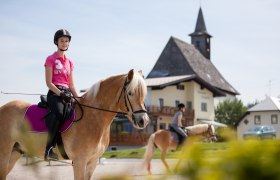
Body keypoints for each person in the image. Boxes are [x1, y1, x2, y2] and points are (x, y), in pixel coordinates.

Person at [44, 29, 79, 161]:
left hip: (68, 93)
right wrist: (61, 94)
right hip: (54, 92)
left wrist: (79, 98)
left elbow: (72, 85)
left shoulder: (69, 63)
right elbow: (48, 83)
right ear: (56, 42)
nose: (64, 43)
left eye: (66, 41)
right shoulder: (50, 59)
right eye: (62, 41)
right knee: (59, 113)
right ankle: (48, 148)